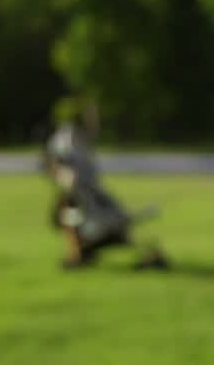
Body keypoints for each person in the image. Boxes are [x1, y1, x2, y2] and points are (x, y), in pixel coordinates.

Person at [43, 100, 168, 270]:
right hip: (83, 202)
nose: (95, 123)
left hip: (93, 204)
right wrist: (64, 175)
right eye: (90, 117)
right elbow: (55, 163)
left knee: (73, 218)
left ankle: (81, 253)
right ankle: (78, 254)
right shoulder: (67, 139)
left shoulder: (78, 142)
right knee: (69, 216)